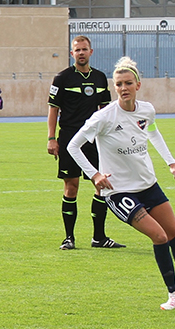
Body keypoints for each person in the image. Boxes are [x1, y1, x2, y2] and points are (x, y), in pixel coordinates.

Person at [68, 57, 175, 310]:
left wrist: (172, 164)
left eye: (128, 83)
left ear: (138, 84)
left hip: (148, 185)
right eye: (118, 84)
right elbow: (73, 145)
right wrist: (94, 174)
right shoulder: (103, 117)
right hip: (119, 192)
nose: (123, 88)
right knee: (159, 236)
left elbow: (153, 132)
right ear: (114, 88)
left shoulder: (147, 110)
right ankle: (173, 294)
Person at [47, 35, 125, 250]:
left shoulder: (100, 78)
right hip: (70, 138)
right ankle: (69, 238)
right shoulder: (61, 78)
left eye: (84, 49)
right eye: (77, 50)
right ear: (72, 54)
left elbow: (107, 111)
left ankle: (99, 237)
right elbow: (53, 109)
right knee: (71, 187)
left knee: (102, 185)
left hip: (95, 140)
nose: (81, 53)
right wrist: (52, 138)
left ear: (91, 52)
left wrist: (112, 137)